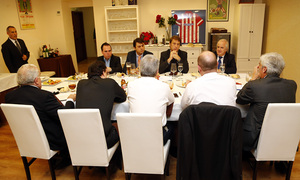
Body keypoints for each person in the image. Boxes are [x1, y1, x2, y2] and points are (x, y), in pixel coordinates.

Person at [5, 64, 76, 168]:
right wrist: (70, 99)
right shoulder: (44, 96)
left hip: (27, 139)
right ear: (36, 80)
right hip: (52, 140)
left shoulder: (9, 96)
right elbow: (63, 115)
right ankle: (67, 156)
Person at [236, 52, 297, 151]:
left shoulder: (254, 85)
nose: (257, 67)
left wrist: (253, 78)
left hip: (255, 137)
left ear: (264, 69)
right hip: (283, 135)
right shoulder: (292, 85)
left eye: (259, 65)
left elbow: (240, 99)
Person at [76, 61, 126, 148]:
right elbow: (123, 97)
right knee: (120, 124)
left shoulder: (81, 84)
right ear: (103, 72)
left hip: (82, 137)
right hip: (104, 140)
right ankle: (116, 159)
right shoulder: (110, 83)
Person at [127, 54, 175, 144]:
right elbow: (171, 102)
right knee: (173, 125)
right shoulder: (164, 86)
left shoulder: (131, 85)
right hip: (157, 138)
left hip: (136, 135)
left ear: (140, 69)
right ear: (157, 71)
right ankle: (168, 156)